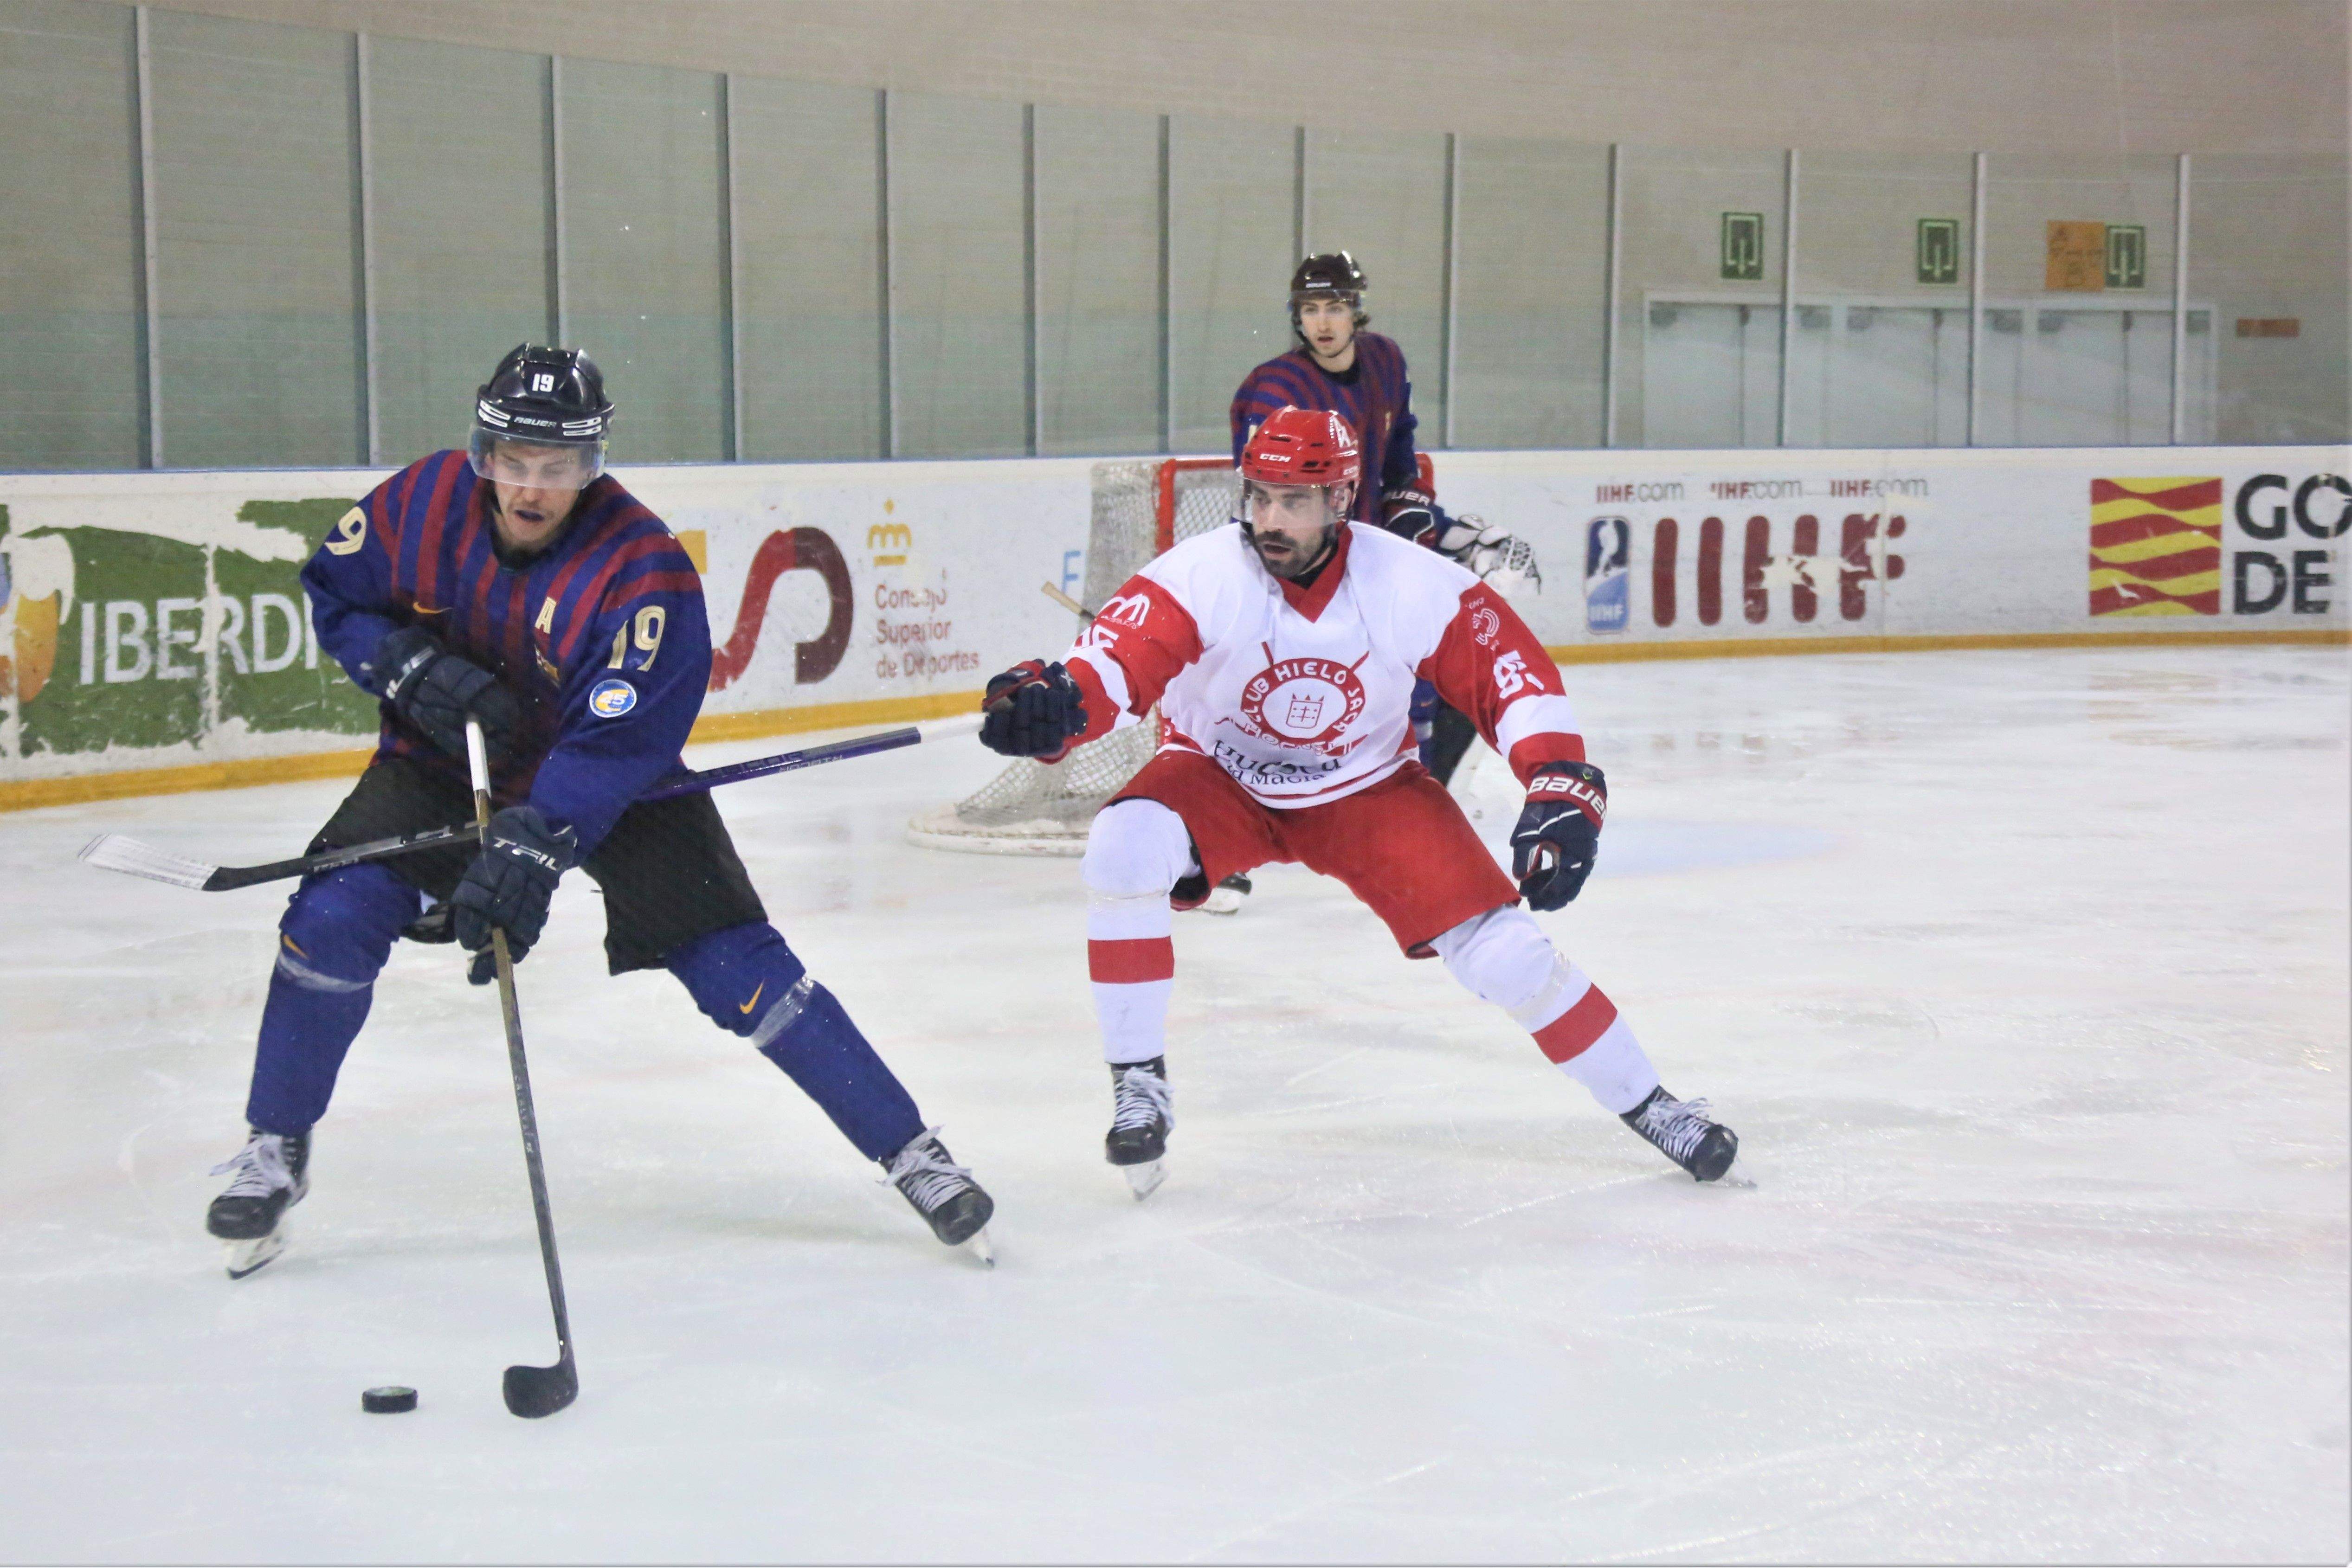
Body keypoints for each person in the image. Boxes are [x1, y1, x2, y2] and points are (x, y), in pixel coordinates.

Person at [202, 344, 993, 1276]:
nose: (532, 487)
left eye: (560, 468)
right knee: (327, 920)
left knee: (738, 969)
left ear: (593, 465)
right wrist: (408, 667)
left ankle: (911, 1152)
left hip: (608, 781)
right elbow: (336, 594)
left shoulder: (641, 568)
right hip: (438, 764)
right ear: (481, 451)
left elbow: (617, 739)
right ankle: (274, 1148)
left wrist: (534, 849)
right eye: (513, 462)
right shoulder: (417, 502)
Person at [976, 406, 1737, 1199]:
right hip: (1217, 777)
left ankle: (1654, 1106)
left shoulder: (1407, 580)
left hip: (1366, 791)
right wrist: (1055, 707)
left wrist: (1557, 780)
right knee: (1122, 847)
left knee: (1507, 955)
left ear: (1341, 498)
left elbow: (1511, 676)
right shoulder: (1200, 574)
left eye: (1293, 501)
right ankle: (1138, 1083)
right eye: (1259, 496)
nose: (1268, 519)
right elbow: (1114, 666)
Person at [1229, 252, 1539, 807]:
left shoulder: (1385, 362)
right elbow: (1270, 500)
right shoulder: (1275, 390)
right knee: (1278, 704)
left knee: (1454, 674)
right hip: (1306, 572)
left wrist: (1418, 511)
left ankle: (1418, 808)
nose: (1322, 323)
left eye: (1335, 308)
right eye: (1310, 309)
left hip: (1370, 557)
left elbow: (1399, 457)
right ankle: (1227, 838)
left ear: (1357, 311)